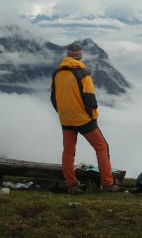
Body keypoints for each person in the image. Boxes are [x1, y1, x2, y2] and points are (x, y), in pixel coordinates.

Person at [51, 41, 120, 193]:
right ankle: (108, 184)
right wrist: (93, 117)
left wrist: (63, 113)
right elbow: (90, 99)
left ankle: (71, 185)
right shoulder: (83, 74)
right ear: (80, 57)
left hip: (66, 119)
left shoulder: (57, 73)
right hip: (83, 119)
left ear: (68, 56)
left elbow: (53, 98)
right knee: (102, 147)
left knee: (68, 152)